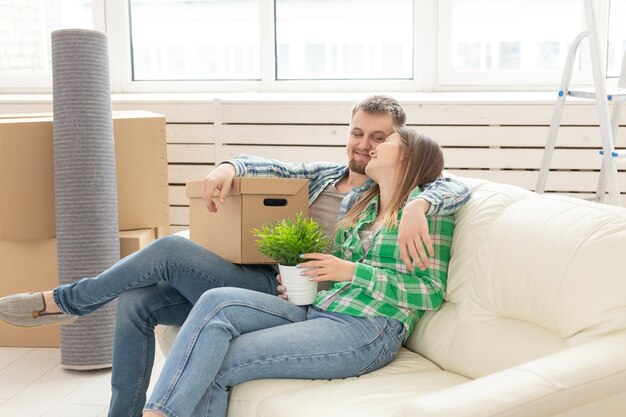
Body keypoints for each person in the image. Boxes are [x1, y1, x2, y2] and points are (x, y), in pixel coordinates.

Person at [0, 95, 469, 417]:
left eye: (383, 139)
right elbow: (272, 166)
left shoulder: (426, 197)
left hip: (352, 320)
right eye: (359, 133)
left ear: (405, 151)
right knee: (139, 300)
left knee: (174, 261)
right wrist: (229, 166)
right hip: (300, 295)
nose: (367, 146)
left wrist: (418, 205)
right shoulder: (346, 195)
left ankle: (69, 305)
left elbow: (447, 186)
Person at [141, 127, 454, 417]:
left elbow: (429, 291)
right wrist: (307, 284)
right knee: (216, 302)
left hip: (368, 330)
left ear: (407, 157)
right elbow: (341, 277)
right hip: (323, 310)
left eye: (386, 142)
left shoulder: (427, 215)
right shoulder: (361, 205)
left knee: (215, 361)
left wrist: (354, 272)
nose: (373, 147)